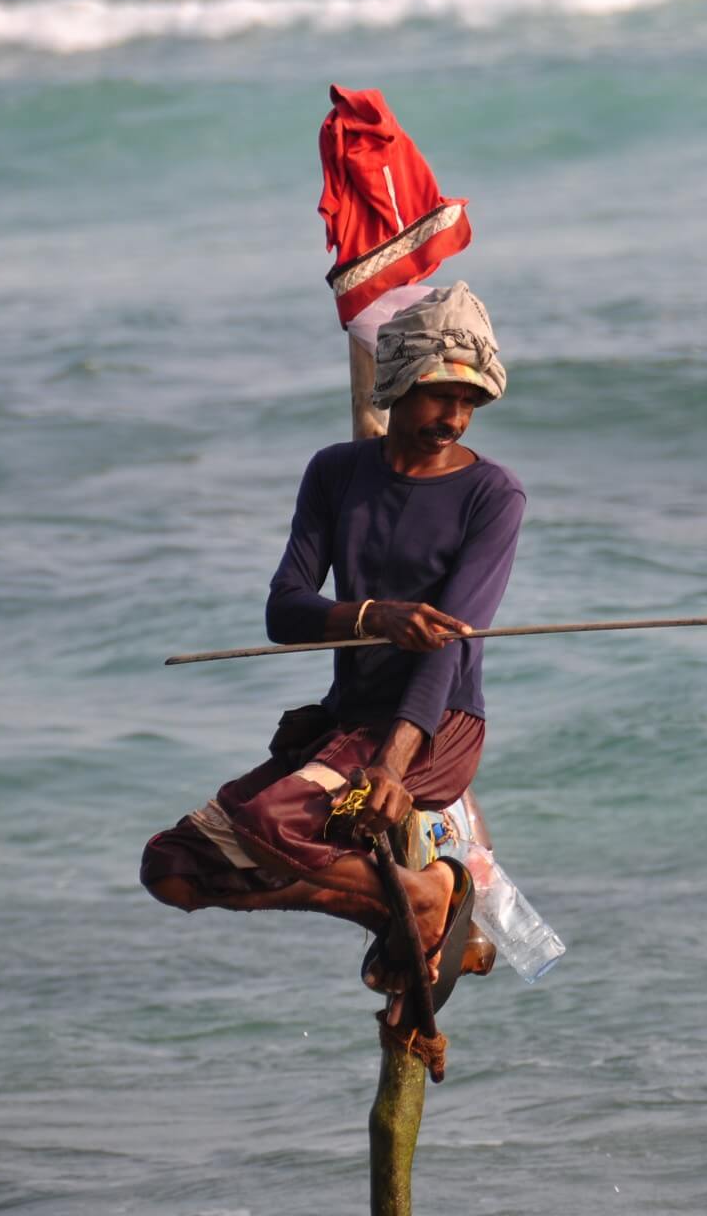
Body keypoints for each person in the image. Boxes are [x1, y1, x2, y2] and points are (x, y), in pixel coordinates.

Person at [140, 282, 523, 993]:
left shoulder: (493, 495)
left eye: (471, 403)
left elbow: (451, 645)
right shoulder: (335, 472)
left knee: (270, 818)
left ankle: (415, 902)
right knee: (173, 868)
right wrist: (374, 617)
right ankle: (407, 904)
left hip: (433, 726)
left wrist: (395, 766)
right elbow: (285, 612)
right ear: (402, 381)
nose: (456, 418)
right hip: (349, 723)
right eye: (443, 395)